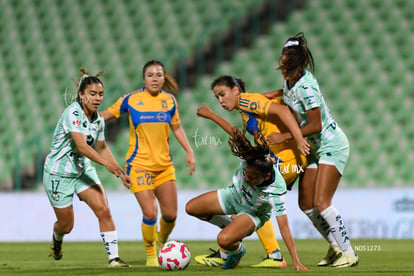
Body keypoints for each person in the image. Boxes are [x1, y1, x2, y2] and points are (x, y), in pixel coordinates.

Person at [194, 75, 308, 268]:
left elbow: (280, 108)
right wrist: (212, 115)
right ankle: (256, 248)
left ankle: (252, 252)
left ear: (236, 90)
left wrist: (297, 138)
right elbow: (238, 134)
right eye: (217, 97)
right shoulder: (247, 110)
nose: (221, 101)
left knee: (254, 204)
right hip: (279, 158)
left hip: (285, 158)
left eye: (222, 95)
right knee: (253, 202)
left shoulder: (249, 100)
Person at [267, 32, 358, 268]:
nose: (284, 68)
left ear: (303, 64)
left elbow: (316, 124)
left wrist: (286, 136)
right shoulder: (289, 81)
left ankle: (350, 253)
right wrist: (260, 99)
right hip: (314, 150)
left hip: (331, 145)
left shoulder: (307, 86)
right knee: (306, 203)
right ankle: (335, 247)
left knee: (322, 201)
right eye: (283, 62)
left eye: (290, 64)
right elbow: (284, 97)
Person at [100, 60, 196, 267]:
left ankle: (162, 241)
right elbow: (104, 116)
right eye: (150, 75)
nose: (155, 78)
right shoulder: (131, 99)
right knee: (151, 212)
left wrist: (189, 151)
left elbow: (177, 128)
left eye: (159, 75)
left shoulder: (170, 101)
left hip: (164, 166)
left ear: (164, 78)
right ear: (144, 79)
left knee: (170, 215)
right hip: (138, 165)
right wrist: (83, 120)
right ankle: (152, 255)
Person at [186, 128, 308, 271]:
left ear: (267, 176)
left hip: (252, 213)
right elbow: (234, 132)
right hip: (234, 195)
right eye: (246, 174)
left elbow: (284, 228)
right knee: (191, 208)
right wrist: (211, 115)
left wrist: (296, 261)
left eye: (253, 177)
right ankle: (230, 225)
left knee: (224, 240)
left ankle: (237, 251)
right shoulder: (250, 159)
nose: (248, 179)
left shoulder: (276, 189)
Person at [43, 68, 131, 268]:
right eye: (92, 94)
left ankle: (114, 259)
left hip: (82, 171)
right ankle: (57, 239)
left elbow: (101, 147)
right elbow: (82, 146)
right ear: (81, 95)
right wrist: (107, 164)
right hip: (59, 175)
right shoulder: (72, 112)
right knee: (67, 226)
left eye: (100, 94)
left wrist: (119, 171)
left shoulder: (98, 119)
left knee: (104, 210)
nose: (98, 98)